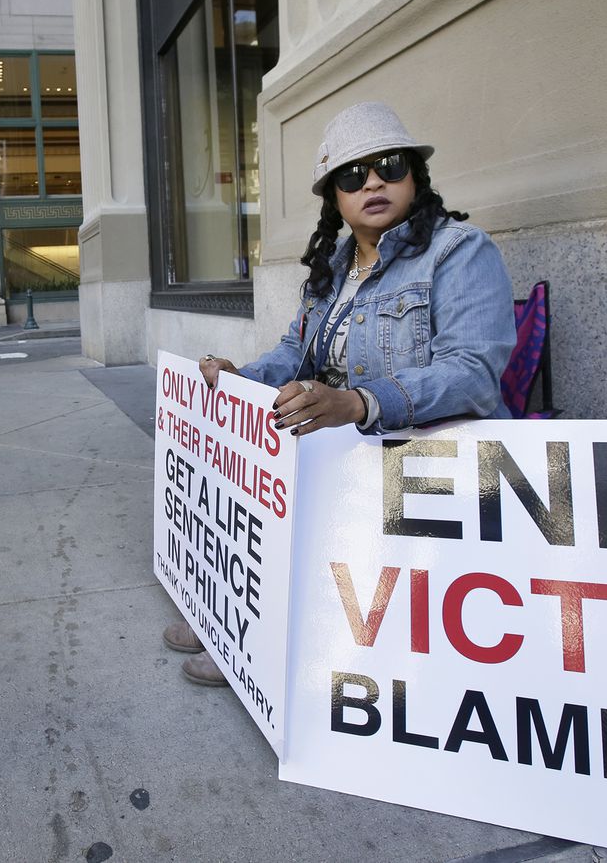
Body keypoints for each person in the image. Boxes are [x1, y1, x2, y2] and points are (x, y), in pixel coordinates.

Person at [165, 101, 516, 686]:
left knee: (302, 486)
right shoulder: (333, 266)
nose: (372, 181)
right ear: (335, 197)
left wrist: (359, 403)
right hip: (349, 448)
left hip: (426, 459)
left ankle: (263, 637)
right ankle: (238, 616)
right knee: (255, 474)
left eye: (388, 165)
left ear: (414, 176)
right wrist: (239, 379)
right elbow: (291, 353)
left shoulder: (460, 251)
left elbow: (475, 374)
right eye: (352, 175)